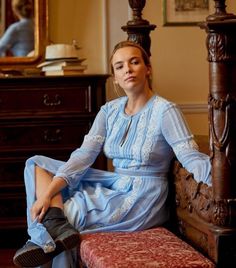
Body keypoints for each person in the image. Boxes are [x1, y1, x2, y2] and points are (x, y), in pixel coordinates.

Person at [13, 40, 212, 267]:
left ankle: (47, 233)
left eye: (134, 62)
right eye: (119, 66)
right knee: (37, 164)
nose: (127, 69)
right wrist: (49, 193)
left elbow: (190, 156)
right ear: (115, 77)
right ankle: (54, 225)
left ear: (148, 69)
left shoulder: (165, 111)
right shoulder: (109, 111)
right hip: (115, 184)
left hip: (143, 196)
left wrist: (219, 181)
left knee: (70, 213)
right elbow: (84, 155)